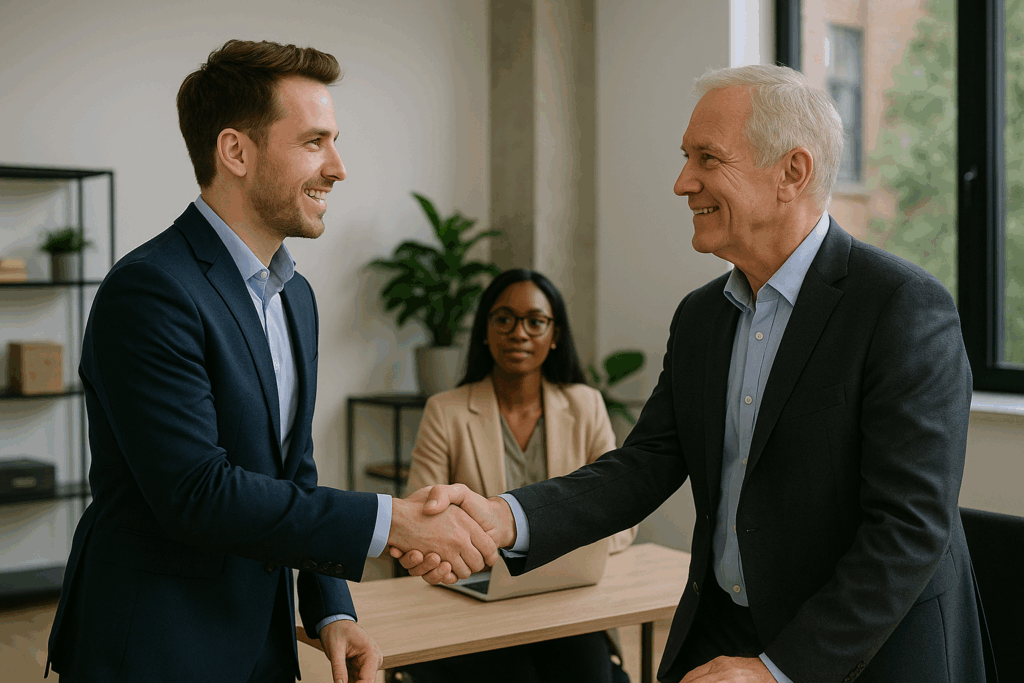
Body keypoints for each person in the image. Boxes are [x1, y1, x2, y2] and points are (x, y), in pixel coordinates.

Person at [396, 64, 992, 683]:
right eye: (686, 157)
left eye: (708, 158)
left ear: (793, 172)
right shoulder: (703, 316)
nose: (683, 182)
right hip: (726, 635)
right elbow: (643, 464)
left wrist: (776, 670)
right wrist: (505, 518)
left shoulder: (902, 307)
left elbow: (908, 528)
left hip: (861, 655)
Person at [45, 39, 496, 683]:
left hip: (260, 645)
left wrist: (331, 610)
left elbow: (293, 473)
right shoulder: (149, 289)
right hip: (154, 646)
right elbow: (196, 493)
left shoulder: (296, 296)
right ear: (235, 151)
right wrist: (391, 520)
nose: (338, 167)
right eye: (315, 142)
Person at [400, 269, 638, 683]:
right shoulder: (446, 410)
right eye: (504, 319)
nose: (519, 333)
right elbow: (419, 519)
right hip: (472, 602)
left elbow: (619, 512)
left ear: (555, 333)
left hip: (566, 600)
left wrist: (567, 555)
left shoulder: (586, 404)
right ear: (486, 332)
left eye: (535, 321)